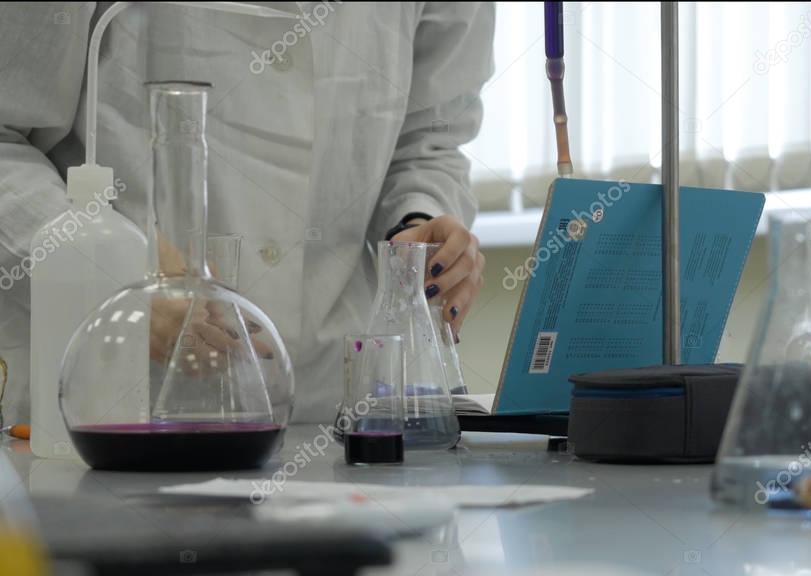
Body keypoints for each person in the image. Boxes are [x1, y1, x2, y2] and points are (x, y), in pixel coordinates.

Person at [0, 2, 493, 423]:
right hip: (115, 401)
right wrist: (116, 276)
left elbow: (433, 134)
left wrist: (421, 222)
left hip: (330, 401)